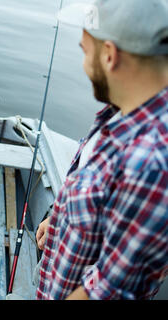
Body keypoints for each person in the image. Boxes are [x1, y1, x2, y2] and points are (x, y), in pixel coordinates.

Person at [35, 0, 168, 299]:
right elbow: (96, 194)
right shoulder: (122, 110)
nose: (84, 65)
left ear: (109, 55)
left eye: (85, 52)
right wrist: (56, 217)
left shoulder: (152, 163)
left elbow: (109, 290)